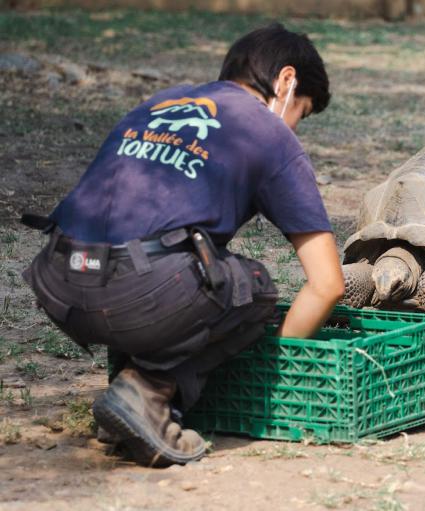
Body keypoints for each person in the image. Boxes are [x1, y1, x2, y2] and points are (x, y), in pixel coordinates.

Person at [22, 23, 345, 467]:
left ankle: (127, 396)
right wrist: (277, 374)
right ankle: (147, 393)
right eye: (301, 114)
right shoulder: (269, 132)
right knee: (254, 286)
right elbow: (327, 284)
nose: (295, 129)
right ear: (286, 80)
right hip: (133, 297)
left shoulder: (159, 102)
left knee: (166, 263)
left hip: (58, 282)